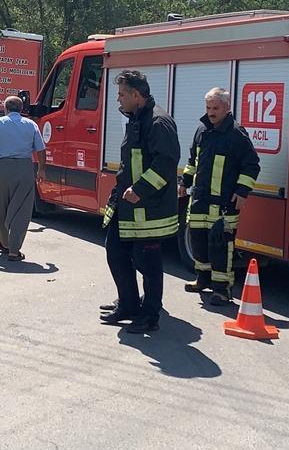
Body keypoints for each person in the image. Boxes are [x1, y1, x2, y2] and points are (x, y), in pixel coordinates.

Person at [98, 71, 182, 334]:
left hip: (149, 209)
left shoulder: (158, 122)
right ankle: (128, 305)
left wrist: (140, 189)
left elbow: (167, 164)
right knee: (116, 252)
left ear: (136, 95)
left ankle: (149, 316)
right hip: (128, 205)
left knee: (148, 263)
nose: (118, 99)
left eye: (122, 94)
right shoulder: (136, 118)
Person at [179, 87, 261, 306]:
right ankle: (202, 279)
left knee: (221, 246)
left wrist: (242, 192)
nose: (211, 112)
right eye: (208, 107)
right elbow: (192, 161)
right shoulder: (201, 130)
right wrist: (184, 183)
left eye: (215, 108)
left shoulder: (236, 134)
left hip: (224, 203)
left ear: (227, 108)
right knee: (198, 242)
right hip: (199, 200)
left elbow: (251, 165)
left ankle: (222, 290)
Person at [0, 95, 46, 261]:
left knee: (1, 207)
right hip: (24, 168)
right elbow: (41, 150)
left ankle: (5, 242)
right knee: (22, 209)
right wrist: (41, 170)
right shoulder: (31, 124)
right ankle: (14, 249)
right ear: (22, 109)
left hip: (2, 168)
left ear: (5, 109)